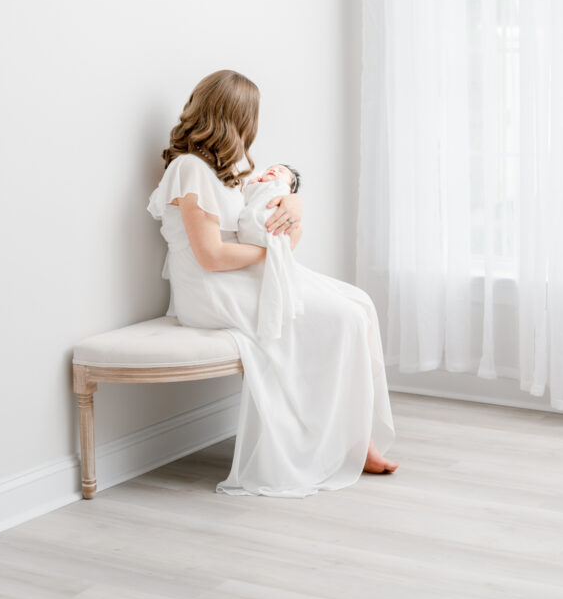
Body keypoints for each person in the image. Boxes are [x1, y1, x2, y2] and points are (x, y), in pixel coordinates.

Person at [146, 69, 398, 497]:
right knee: (342, 318)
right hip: (210, 290)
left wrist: (292, 201)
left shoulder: (221, 170)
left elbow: (278, 182)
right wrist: (277, 252)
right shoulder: (189, 169)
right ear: (236, 119)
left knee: (359, 305)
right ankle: (354, 443)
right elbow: (211, 255)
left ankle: (357, 438)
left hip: (242, 276)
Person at [237, 164, 304, 343]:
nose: (274, 170)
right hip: (251, 236)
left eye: (282, 172)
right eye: (270, 169)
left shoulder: (281, 192)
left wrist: (292, 198)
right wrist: (252, 185)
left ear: (289, 187)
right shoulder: (249, 184)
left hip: (268, 230)